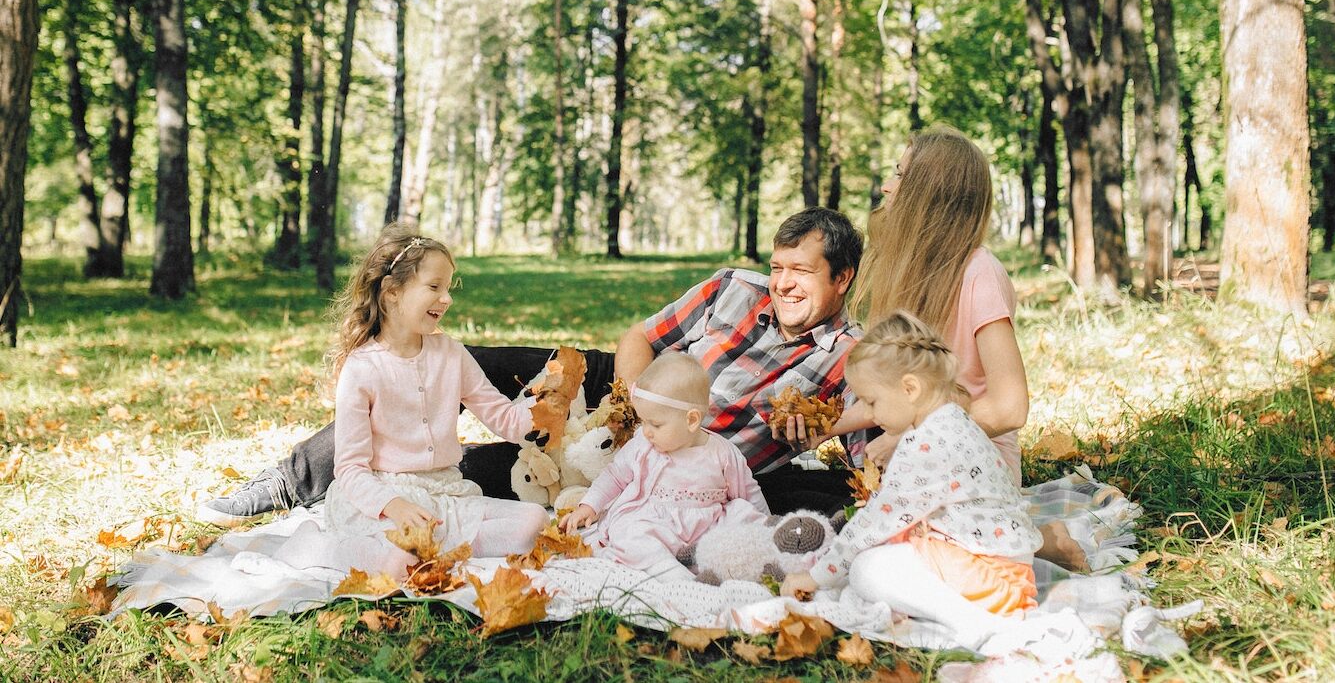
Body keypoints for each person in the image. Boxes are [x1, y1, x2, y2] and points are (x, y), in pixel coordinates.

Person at [198, 208, 865, 523]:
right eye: (778, 266)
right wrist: (628, 397)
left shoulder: (850, 356)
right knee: (461, 364)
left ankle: (378, 491)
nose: (782, 283)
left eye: (800, 271)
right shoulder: (735, 286)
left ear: (843, 277)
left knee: (466, 470)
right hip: (622, 390)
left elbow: (874, 444)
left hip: (671, 453)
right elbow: (643, 334)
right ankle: (288, 480)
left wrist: (819, 434)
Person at [781, 312, 1041, 647]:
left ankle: (971, 621)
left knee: (867, 569)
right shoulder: (950, 422)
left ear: (910, 388)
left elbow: (876, 521)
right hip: (998, 569)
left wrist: (818, 575)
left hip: (994, 579)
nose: (870, 415)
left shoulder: (927, 445)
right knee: (882, 555)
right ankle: (963, 612)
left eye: (872, 402)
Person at [315, 224, 547, 567]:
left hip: (447, 492)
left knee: (534, 522)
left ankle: (438, 548)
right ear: (392, 291)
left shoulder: (451, 354)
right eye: (434, 287)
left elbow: (507, 420)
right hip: (386, 495)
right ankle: (330, 549)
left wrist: (548, 404)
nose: (447, 298)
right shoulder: (362, 368)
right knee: (403, 556)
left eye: (449, 288)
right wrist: (392, 505)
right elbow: (350, 467)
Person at [829, 125, 1030, 482]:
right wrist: (824, 429)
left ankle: (1050, 538)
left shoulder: (979, 273)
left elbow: (1009, 408)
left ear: (931, 193)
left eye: (900, 175)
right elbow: (892, 390)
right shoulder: (907, 272)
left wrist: (912, 439)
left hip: (976, 462)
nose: (887, 187)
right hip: (917, 457)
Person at [559, 353, 769, 581]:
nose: (646, 431)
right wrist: (590, 505)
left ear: (691, 420)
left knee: (741, 512)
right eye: (644, 421)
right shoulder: (644, 444)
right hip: (655, 524)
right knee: (631, 534)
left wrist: (764, 524)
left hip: (707, 529)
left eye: (655, 424)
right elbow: (615, 476)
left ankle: (767, 550)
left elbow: (749, 494)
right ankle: (671, 573)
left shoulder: (723, 453)